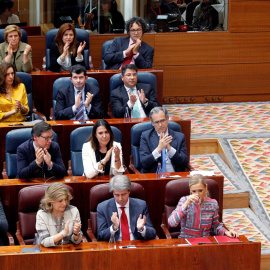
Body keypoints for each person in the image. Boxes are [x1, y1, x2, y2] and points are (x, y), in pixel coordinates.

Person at [168, 174, 239, 238]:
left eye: (200, 190)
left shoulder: (213, 204)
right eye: (194, 191)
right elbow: (172, 223)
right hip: (186, 241)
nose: (197, 194)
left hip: (204, 241)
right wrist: (186, 204)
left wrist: (226, 232)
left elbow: (215, 226)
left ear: (206, 188)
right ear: (190, 190)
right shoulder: (184, 201)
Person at [97, 175, 156, 241]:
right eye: (116, 195)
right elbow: (100, 236)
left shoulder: (141, 205)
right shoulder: (103, 207)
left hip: (136, 246)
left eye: (123, 194)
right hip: (115, 247)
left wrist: (141, 229)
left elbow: (153, 234)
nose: (120, 199)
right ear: (113, 193)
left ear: (129, 191)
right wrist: (113, 228)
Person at [139, 107, 188, 173]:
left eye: (162, 121)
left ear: (167, 119)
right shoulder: (146, 136)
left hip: (174, 177)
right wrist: (158, 149)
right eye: (156, 122)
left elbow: (184, 163)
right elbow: (143, 163)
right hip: (154, 178)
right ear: (152, 123)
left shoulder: (179, 137)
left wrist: (170, 149)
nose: (160, 125)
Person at [36, 182, 82, 247]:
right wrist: (63, 233)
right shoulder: (42, 214)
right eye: (60, 201)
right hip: (48, 252)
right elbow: (44, 241)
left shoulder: (73, 211)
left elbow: (77, 241)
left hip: (67, 251)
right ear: (51, 201)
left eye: (65, 199)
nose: (64, 203)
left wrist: (76, 234)